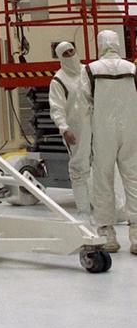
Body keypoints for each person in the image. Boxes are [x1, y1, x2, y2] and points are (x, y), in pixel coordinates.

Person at [80, 29, 137, 254]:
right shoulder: (131, 69)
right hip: (131, 130)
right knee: (134, 180)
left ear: (100, 45)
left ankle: (107, 235)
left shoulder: (91, 70)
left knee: (103, 181)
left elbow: (83, 105)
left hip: (103, 131)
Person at [48, 41, 91, 217]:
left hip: (97, 126)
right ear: (60, 57)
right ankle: (84, 209)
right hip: (76, 130)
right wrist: (64, 129)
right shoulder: (58, 80)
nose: (70, 55)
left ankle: (109, 209)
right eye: (65, 53)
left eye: (72, 51)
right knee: (79, 169)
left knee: (102, 167)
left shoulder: (88, 72)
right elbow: (56, 108)